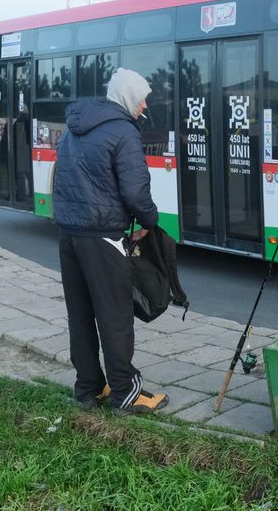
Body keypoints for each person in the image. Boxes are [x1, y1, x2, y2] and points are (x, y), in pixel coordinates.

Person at [53, 68, 168, 415]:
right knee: (115, 316)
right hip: (104, 236)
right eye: (142, 96)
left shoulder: (73, 129)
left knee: (81, 314)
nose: (145, 103)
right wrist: (149, 221)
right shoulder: (123, 131)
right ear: (128, 97)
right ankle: (125, 393)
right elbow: (135, 191)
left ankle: (88, 387)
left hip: (70, 236)